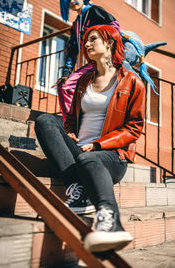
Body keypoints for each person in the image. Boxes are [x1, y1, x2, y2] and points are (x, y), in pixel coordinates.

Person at [35, 24, 145, 252]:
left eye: (93, 39)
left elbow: (134, 128)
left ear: (110, 42)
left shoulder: (132, 82)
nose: (86, 44)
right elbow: (72, 121)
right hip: (80, 151)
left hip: (110, 157)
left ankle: (111, 222)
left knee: (88, 160)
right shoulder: (84, 82)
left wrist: (98, 145)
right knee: (45, 120)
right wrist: (71, 132)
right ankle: (78, 188)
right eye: (85, 40)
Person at [56, 0, 166, 122]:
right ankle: (72, 126)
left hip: (107, 60)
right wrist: (66, 73)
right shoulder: (76, 25)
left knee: (115, 93)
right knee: (65, 87)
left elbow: (114, 26)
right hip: (92, 65)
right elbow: (72, 51)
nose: (71, 2)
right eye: (68, 0)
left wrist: (107, 48)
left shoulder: (94, 11)